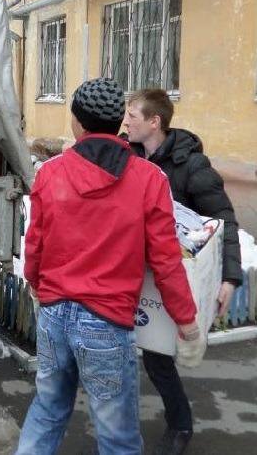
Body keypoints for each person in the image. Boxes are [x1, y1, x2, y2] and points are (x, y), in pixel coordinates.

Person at [16, 78, 198, 455]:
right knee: (117, 437)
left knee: (48, 410)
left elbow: (35, 242)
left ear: (77, 123)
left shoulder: (51, 173)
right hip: (106, 322)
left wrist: (36, 285)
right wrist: (187, 322)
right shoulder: (148, 179)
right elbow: (166, 259)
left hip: (54, 314)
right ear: (118, 120)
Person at [123, 88, 243, 455]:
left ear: (154, 122)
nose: (124, 122)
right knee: (122, 350)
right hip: (132, 270)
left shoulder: (191, 166)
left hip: (171, 276)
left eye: (132, 116)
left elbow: (222, 220)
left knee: (159, 358)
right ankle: (120, 428)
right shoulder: (127, 156)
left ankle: (180, 425)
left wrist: (229, 277)